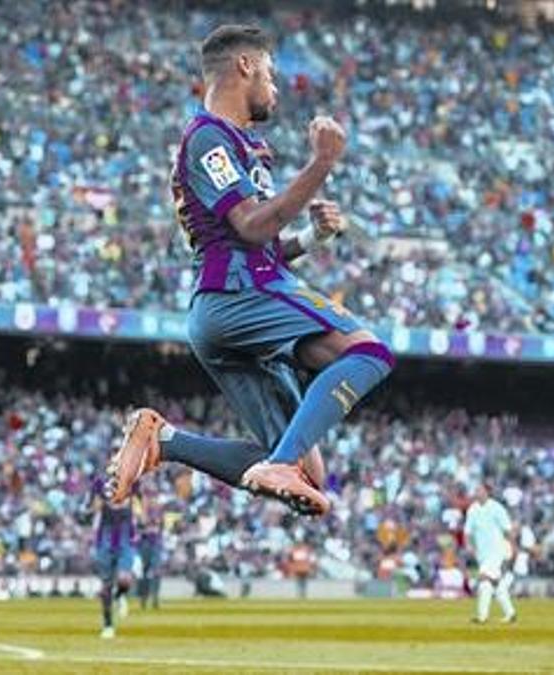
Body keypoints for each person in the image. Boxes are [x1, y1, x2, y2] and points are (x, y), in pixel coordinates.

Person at [104, 24, 393, 516]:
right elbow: (253, 227)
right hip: (241, 295)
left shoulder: (237, 144)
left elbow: (258, 241)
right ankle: (275, 464)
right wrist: (321, 164)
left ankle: (164, 439)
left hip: (226, 305)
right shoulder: (208, 138)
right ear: (246, 66)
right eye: (271, 74)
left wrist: (312, 238)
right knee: (369, 352)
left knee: (307, 476)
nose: (275, 88)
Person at [91, 479, 137, 639]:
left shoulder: (132, 481)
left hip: (125, 541)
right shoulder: (99, 484)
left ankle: (120, 595)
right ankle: (108, 624)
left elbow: (138, 504)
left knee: (125, 579)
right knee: (106, 586)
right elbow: (95, 508)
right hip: (105, 540)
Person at [463, 483, 516, 624]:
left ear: (487, 492)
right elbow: (467, 531)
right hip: (482, 553)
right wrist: (468, 545)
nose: (477, 492)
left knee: (484, 579)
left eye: (479, 490)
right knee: (495, 584)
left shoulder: (496, 508)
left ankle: (482, 616)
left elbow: (508, 529)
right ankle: (510, 613)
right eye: (476, 490)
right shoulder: (472, 509)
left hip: (497, 550)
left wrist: (512, 547)